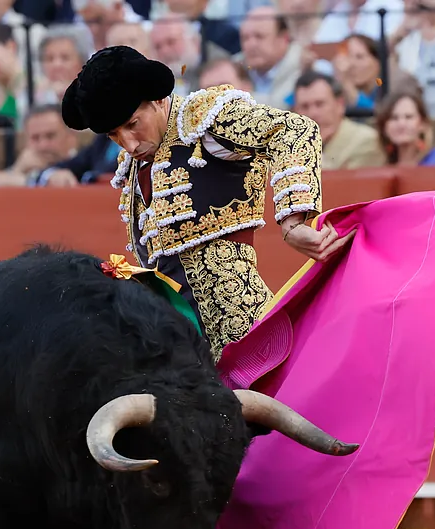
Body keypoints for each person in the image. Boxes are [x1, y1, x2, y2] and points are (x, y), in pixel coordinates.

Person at [59, 45, 353, 365]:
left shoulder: (201, 118)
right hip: (178, 349)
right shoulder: (132, 164)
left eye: (133, 124)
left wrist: (294, 220)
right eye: (114, 135)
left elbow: (295, 131)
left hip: (241, 336)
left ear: (157, 100)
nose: (128, 144)